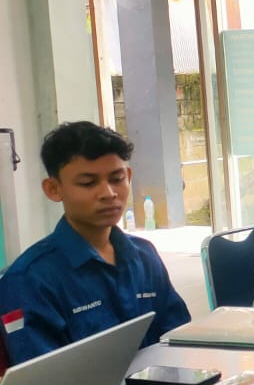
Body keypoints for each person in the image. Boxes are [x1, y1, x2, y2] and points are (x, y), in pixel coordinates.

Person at [0, 122, 191, 364]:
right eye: (88, 183)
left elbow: (178, 337)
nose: (109, 193)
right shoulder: (30, 280)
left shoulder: (144, 255)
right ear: (53, 189)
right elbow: (43, 377)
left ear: (128, 177)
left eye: (117, 178)